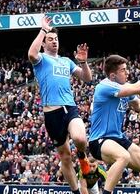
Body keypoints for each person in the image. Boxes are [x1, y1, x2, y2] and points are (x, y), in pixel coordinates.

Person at [28, 15, 93, 194]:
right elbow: (31, 54)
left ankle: (82, 157)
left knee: (80, 139)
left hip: (69, 108)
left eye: (56, 39)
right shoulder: (41, 59)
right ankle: (76, 191)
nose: (54, 41)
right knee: (65, 157)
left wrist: (83, 62)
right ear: (44, 43)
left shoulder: (66, 61)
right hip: (51, 114)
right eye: (50, 39)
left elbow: (87, 78)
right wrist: (43, 30)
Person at [87, 53, 140, 194]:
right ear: (113, 75)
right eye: (123, 70)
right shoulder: (105, 86)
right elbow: (139, 88)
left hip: (118, 138)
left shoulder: (124, 88)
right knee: (123, 156)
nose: (127, 72)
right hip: (100, 140)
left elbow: (138, 104)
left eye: (126, 69)